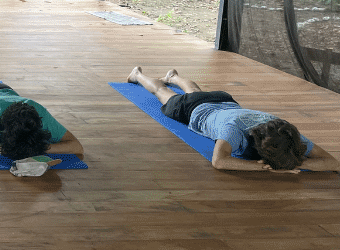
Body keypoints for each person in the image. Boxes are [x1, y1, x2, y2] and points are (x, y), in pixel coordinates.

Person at [128, 67, 340, 173]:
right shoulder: (233, 131)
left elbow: (333, 163)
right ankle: (138, 75)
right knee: (162, 92)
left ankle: (173, 77)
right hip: (194, 109)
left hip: (224, 101)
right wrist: (264, 167)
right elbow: (219, 161)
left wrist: (294, 162)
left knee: (195, 91)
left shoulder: (285, 133)